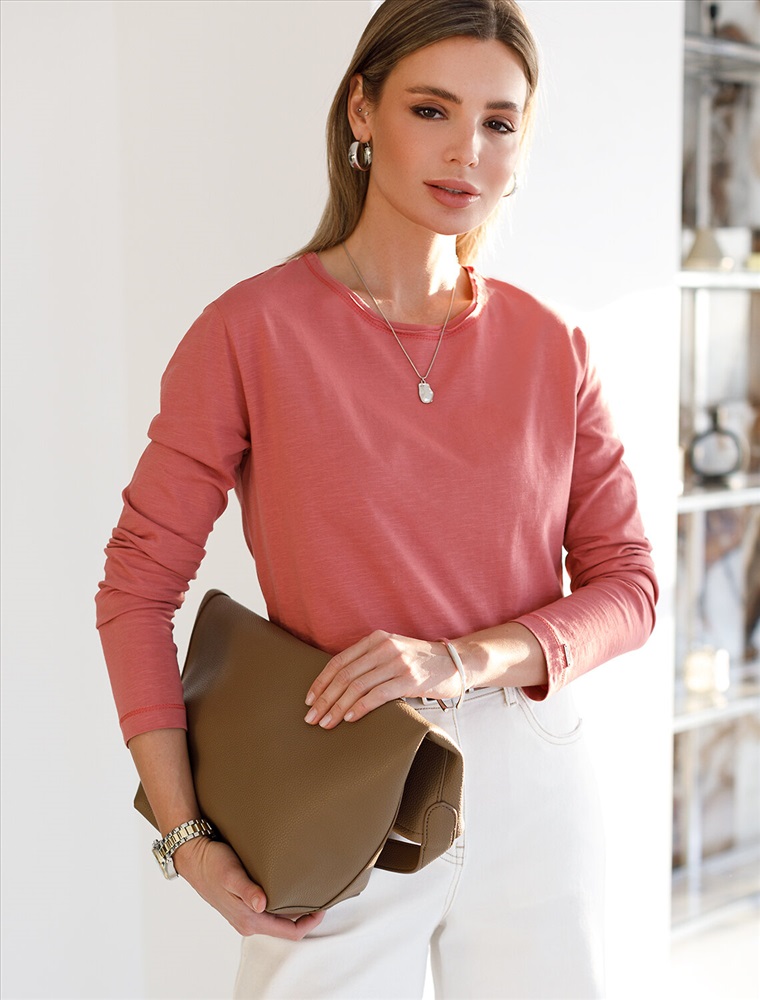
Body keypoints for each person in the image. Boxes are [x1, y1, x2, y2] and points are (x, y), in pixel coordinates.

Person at [96, 1, 658, 996]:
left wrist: (458, 659)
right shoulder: (250, 332)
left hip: (534, 775)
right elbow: (137, 589)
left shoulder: (552, 344)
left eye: (498, 121)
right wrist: (184, 834)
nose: (467, 150)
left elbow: (629, 588)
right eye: (431, 109)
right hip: (337, 777)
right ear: (362, 110)